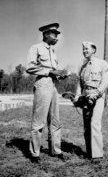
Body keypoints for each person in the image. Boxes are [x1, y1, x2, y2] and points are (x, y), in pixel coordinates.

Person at [26, 23, 69, 163]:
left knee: (55, 120)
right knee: (39, 121)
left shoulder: (53, 52)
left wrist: (61, 74)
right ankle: (35, 153)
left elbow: (55, 70)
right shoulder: (35, 47)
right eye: (54, 34)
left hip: (53, 85)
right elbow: (30, 67)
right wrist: (50, 71)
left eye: (57, 34)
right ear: (45, 34)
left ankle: (56, 151)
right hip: (43, 84)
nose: (57, 37)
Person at [72, 41, 108, 163]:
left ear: (94, 50)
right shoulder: (83, 67)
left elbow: (104, 82)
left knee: (95, 123)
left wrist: (97, 93)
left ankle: (97, 155)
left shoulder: (102, 64)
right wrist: (77, 96)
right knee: (87, 126)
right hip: (86, 97)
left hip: (97, 97)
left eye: (87, 49)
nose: (84, 51)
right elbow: (80, 85)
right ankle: (89, 152)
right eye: (83, 49)